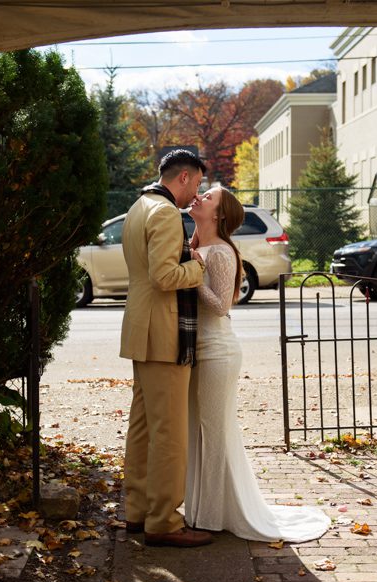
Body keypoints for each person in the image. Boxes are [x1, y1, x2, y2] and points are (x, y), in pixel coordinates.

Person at [185, 186, 330, 543]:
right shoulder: (195, 247)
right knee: (199, 430)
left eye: (208, 197)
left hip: (217, 352)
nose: (199, 197)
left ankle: (211, 517)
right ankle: (201, 508)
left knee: (214, 431)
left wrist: (193, 274)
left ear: (219, 215)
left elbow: (221, 306)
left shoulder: (221, 252)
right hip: (197, 351)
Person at [119, 149, 213, 548]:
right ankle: (164, 523)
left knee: (142, 429)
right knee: (170, 433)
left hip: (142, 330)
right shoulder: (165, 213)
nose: (197, 194)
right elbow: (164, 276)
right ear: (184, 176)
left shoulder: (138, 206)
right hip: (163, 332)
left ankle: (138, 513)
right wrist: (199, 264)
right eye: (198, 184)